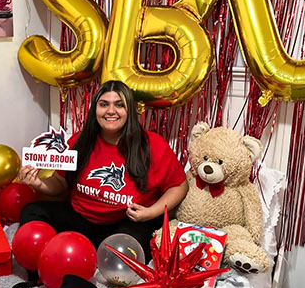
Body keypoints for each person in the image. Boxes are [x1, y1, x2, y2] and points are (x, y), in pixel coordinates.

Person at [17, 80, 188, 271]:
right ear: (95, 109)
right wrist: (38, 184)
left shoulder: (152, 145)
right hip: (81, 218)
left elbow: (179, 186)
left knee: (129, 251)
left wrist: (151, 212)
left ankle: (95, 255)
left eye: (119, 105)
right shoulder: (79, 141)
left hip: (125, 223)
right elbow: (60, 183)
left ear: (130, 110)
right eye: (104, 104)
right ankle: (49, 262)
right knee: (31, 211)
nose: (111, 111)